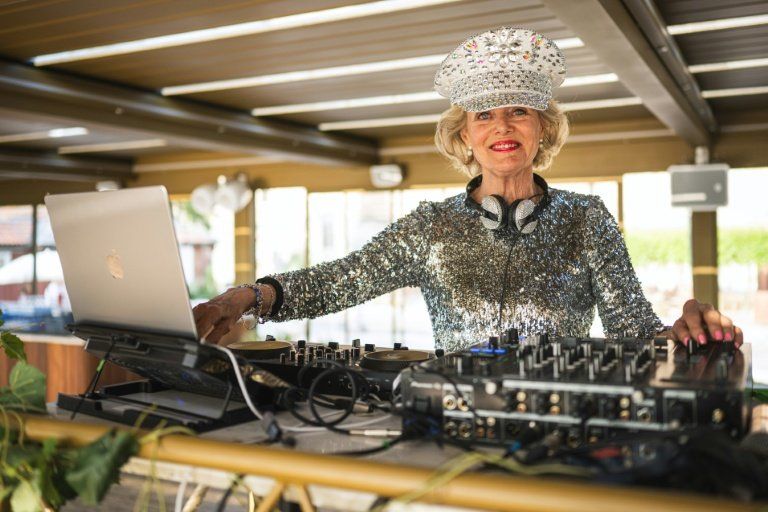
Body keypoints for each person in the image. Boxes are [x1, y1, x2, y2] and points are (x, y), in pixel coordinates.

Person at [194, 27, 742, 351]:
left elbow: (633, 330)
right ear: (464, 136)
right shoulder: (431, 226)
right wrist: (245, 297)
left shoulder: (587, 217)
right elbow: (338, 281)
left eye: (518, 111)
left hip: (562, 430)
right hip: (452, 424)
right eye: (484, 114)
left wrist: (685, 330)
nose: (502, 125)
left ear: (542, 128)